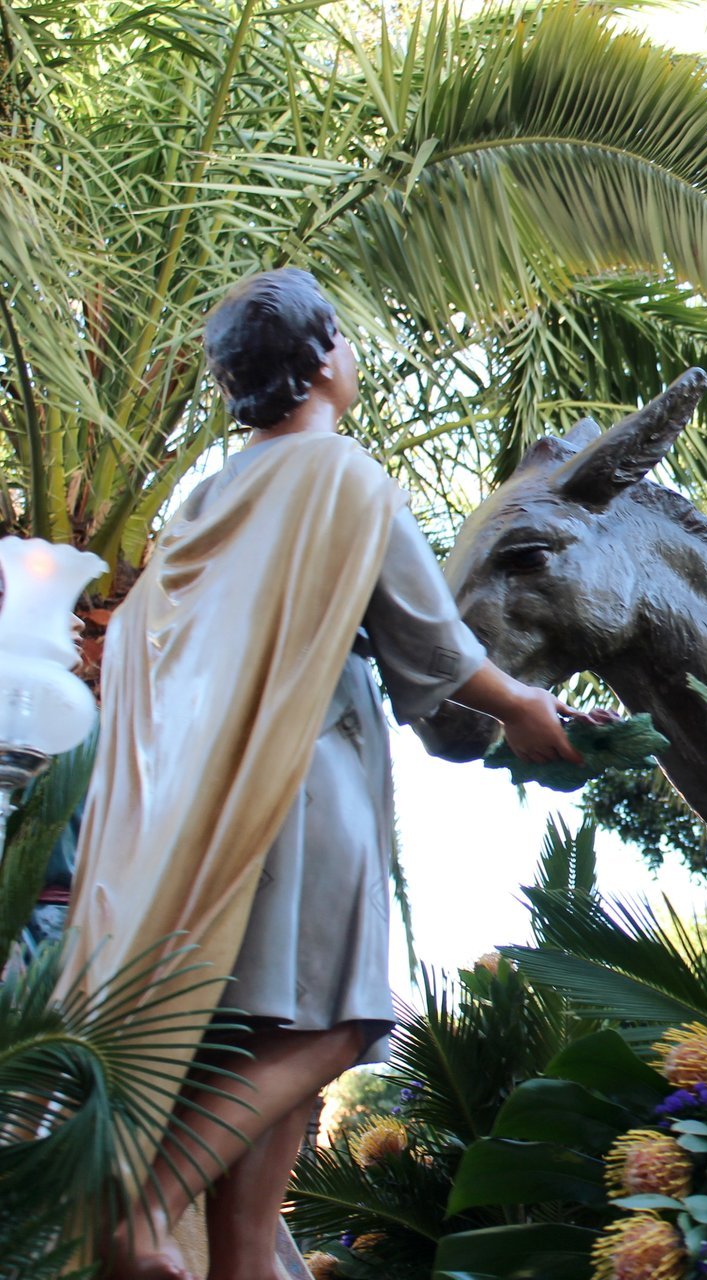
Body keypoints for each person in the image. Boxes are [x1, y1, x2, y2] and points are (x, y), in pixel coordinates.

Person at [63, 268, 595, 1280]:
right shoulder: (339, 476)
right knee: (349, 1015)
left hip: (200, 791)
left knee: (264, 1036)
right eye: (343, 334)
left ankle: (245, 1260)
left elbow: (142, 645)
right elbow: (429, 643)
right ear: (317, 357)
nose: (353, 352)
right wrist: (527, 705)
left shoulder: (201, 503)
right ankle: (143, 1205)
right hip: (307, 773)